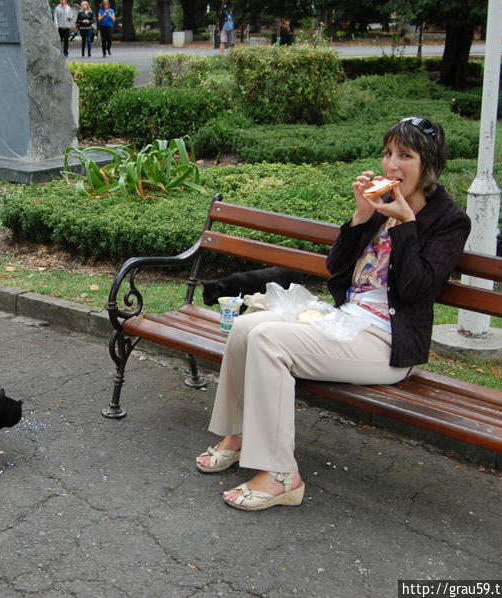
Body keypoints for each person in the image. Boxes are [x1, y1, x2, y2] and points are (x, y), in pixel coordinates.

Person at [194, 116, 471, 511]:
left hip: (387, 342)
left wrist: (406, 223)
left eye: (405, 156)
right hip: (347, 321)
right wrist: (361, 217)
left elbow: (417, 290)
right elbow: (336, 270)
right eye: (389, 152)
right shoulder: (380, 204)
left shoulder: (449, 220)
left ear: (429, 165)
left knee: (269, 341)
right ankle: (237, 437)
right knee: (244, 328)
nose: (392, 165)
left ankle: (280, 475)